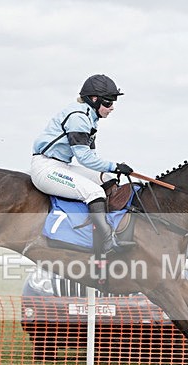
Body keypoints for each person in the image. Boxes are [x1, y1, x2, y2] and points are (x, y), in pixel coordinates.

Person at [30, 74, 135, 260]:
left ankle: (115, 227)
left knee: (108, 179)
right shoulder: (79, 117)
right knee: (94, 192)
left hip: (62, 165)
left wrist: (112, 170)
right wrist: (115, 165)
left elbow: (91, 157)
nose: (112, 108)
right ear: (94, 99)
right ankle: (105, 242)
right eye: (109, 103)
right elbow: (85, 158)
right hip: (45, 168)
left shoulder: (91, 117)